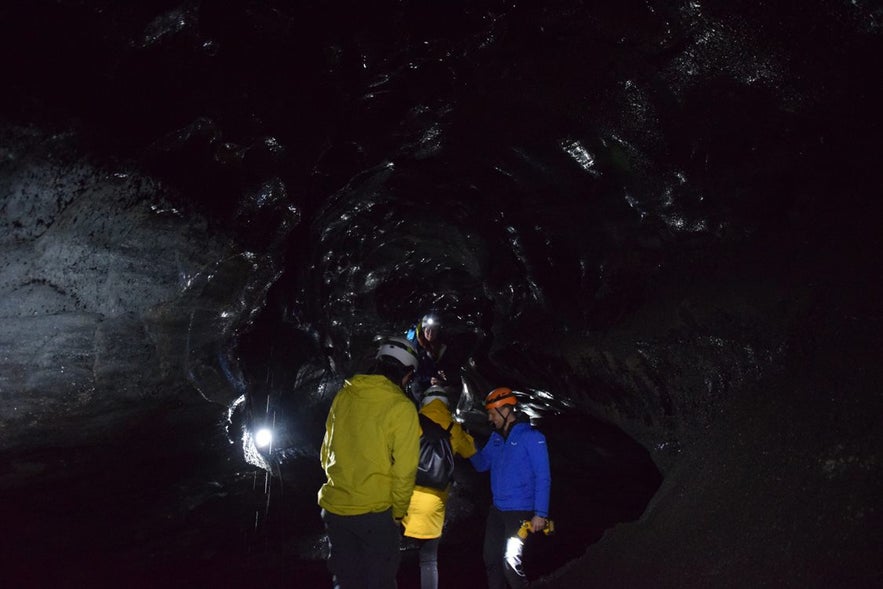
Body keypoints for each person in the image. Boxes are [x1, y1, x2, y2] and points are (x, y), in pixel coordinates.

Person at [317, 336, 421, 589]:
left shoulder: (345, 395)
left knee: (346, 580)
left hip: (336, 509)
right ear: (406, 374)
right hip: (375, 514)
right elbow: (405, 471)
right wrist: (398, 511)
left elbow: (325, 452)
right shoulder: (401, 407)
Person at [470, 387, 551, 589]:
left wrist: (540, 513)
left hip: (520, 512)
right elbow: (481, 465)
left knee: (510, 562)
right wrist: (467, 447)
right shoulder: (496, 439)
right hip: (497, 511)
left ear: (504, 410)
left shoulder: (532, 436)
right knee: (491, 559)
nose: (490, 418)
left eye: (491, 413)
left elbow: (543, 476)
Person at [402, 385, 478, 589]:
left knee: (388, 557)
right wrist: (465, 433)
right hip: (434, 502)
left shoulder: (411, 420)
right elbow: (470, 451)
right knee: (428, 559)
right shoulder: (453, 426)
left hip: (405, 498)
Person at [407, 312, 449, 400]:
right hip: (420, 379)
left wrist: (443, 374)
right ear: (423, 330)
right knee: (415, 386)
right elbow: (413, 371)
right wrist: (429, 379)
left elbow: (444, 363)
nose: (430, 333)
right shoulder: (416, 346)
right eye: (427, 330)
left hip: (435, 379)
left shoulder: (442, 344)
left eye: (434, 330)